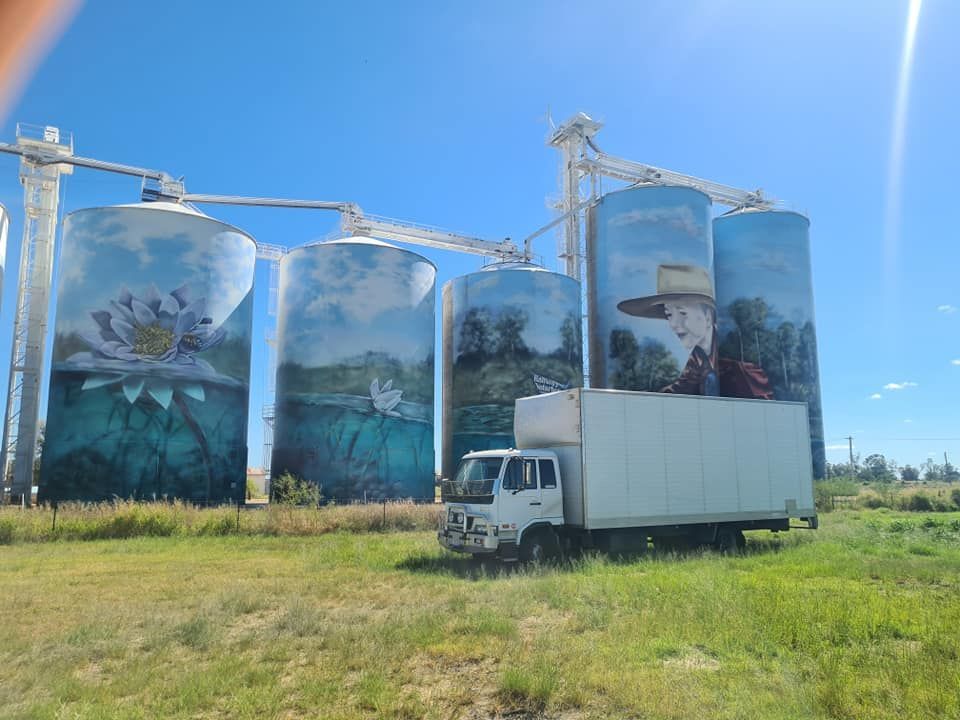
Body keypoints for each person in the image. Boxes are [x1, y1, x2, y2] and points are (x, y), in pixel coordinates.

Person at [617, 264, 719, 396]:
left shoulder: (731, 358)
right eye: (669, 315)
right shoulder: (697, 360)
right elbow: (678, 391)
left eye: (683, 313)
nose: (674, 324)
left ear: (708, 316)